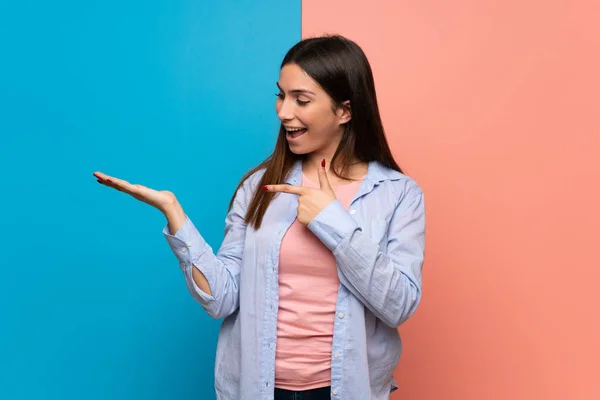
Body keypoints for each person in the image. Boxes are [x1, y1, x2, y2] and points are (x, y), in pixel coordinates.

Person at [94, 34, 425, 400]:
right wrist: (175, 215)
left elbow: (399, 305)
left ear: (344, 111)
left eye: (301, 100)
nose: (284, 112)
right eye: (281, 96)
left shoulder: (397, 194)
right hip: (261, 388)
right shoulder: (259, 187)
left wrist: (331, 219)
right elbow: (222, 298)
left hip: (345, 390)